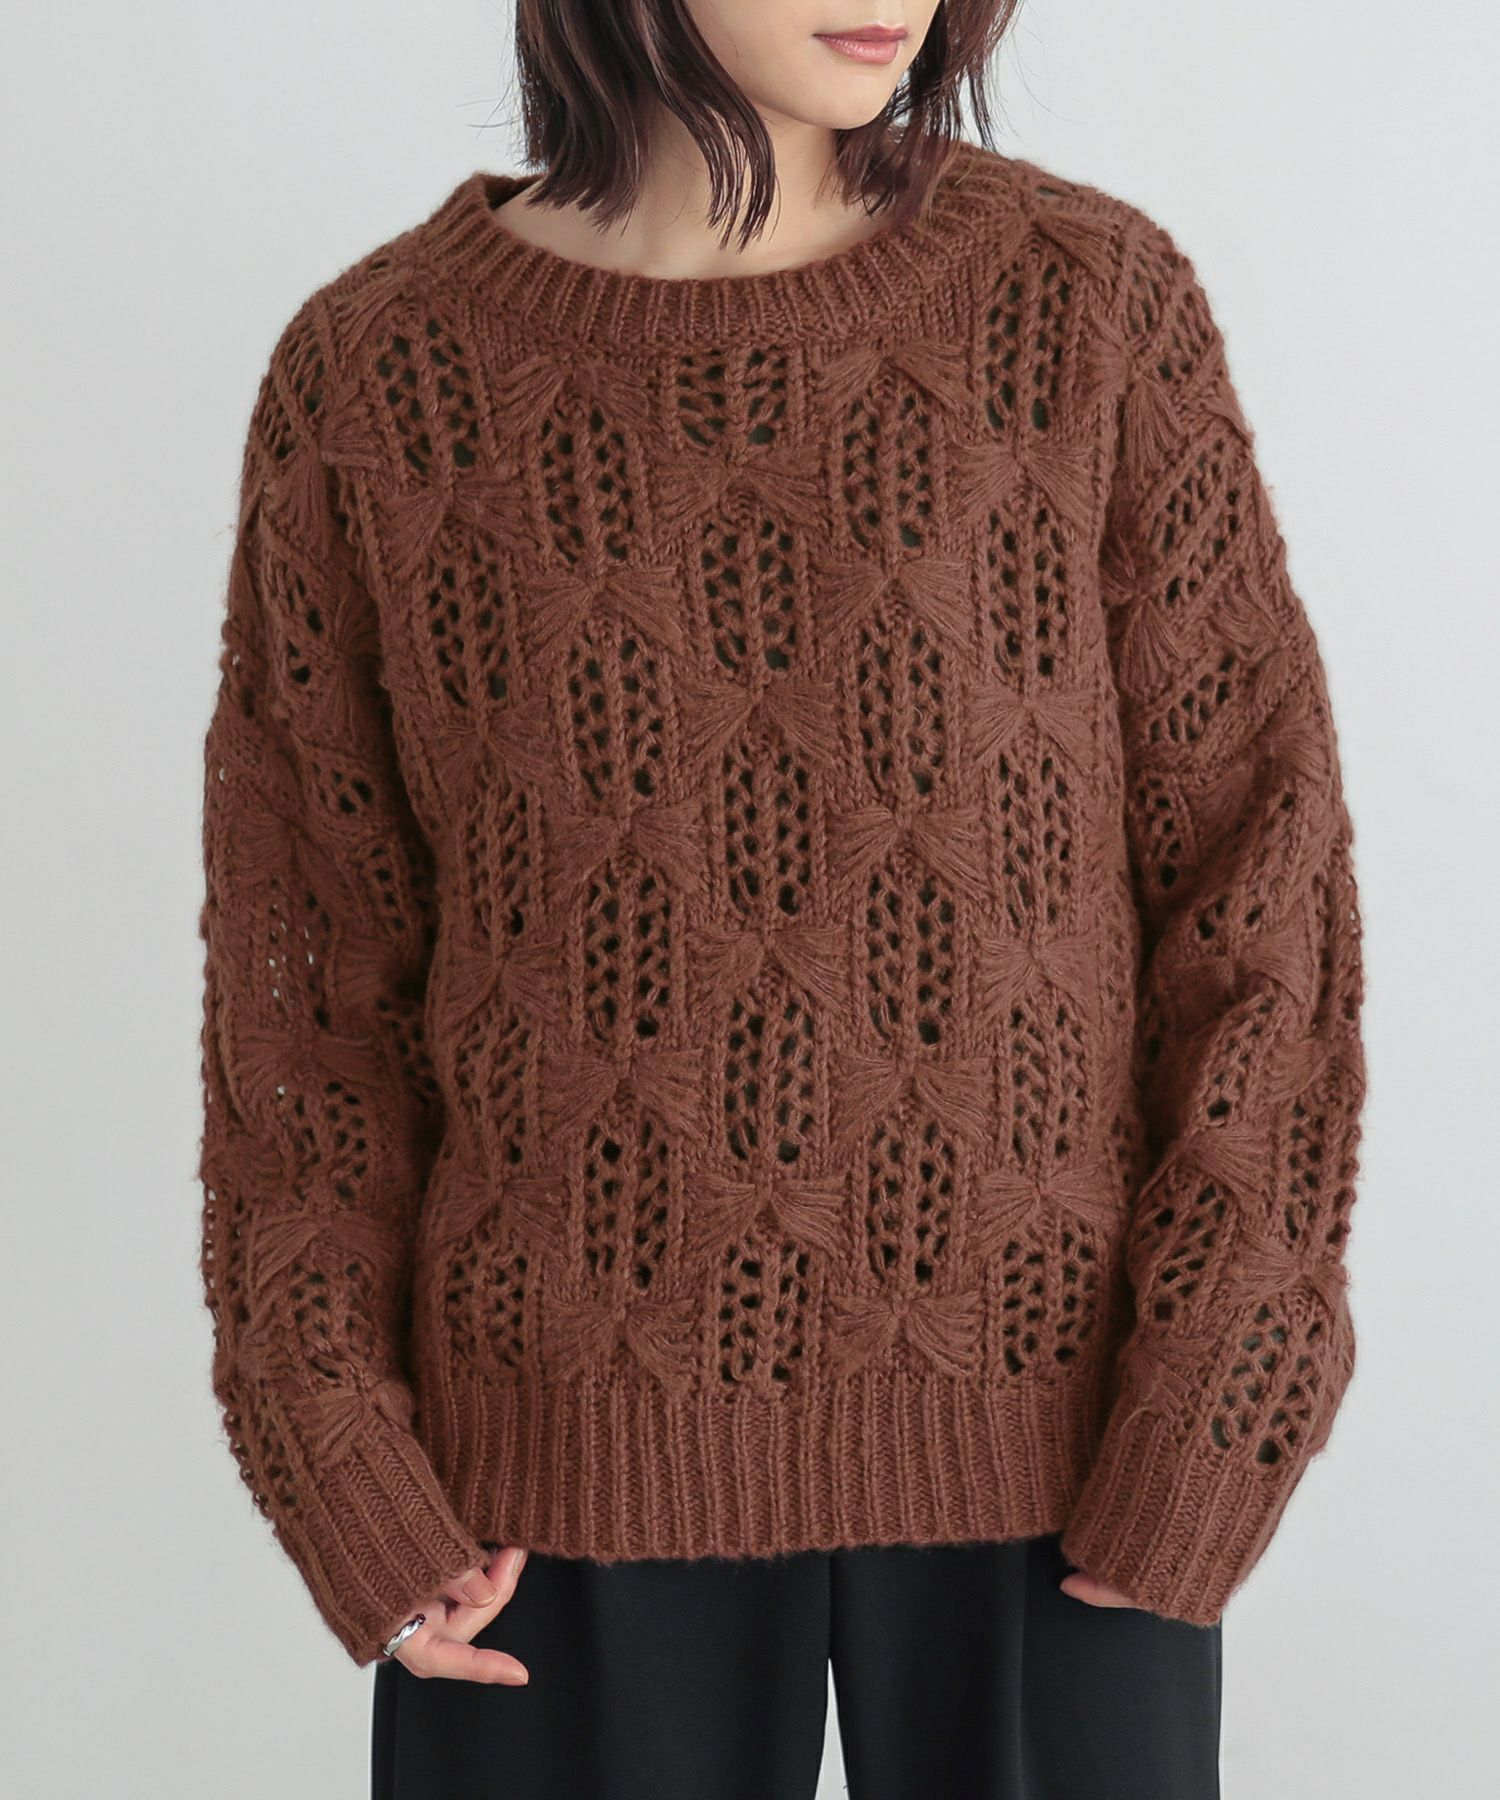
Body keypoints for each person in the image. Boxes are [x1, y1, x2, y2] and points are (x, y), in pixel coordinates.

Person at [195, 3, 1367, 1796]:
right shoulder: (379, 379)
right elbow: (311, 1000)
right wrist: (342, 1460)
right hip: (542, 1490)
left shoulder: (1081, 307)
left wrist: (1220, 1403)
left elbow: (1262, 893)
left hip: (1069, 1478)